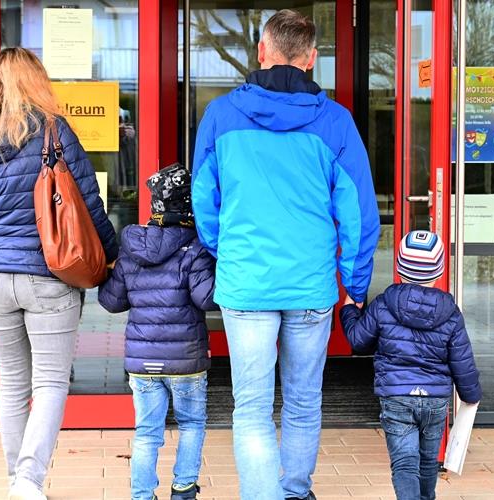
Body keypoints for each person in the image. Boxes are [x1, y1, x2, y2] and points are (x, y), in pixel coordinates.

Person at [191, 9, 380, 500]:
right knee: (302, 403)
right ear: (312, 59)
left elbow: (203, 203)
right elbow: (359, 217)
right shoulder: (336, 123)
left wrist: (224, 251)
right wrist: (355, 288)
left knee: (251, 407)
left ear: (262, 50)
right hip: (310, 289)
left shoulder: (220, 116)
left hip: (246, 285)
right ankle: (294, 492)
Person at [0, 47, 118, 500]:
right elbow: (87, 205)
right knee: (48, 382)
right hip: (48, 275)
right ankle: (27, 480)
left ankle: (16, 481)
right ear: (36, 81)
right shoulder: (52, 130)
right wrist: (108, 253)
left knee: (11, 382)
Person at [99, 163, 217, 500]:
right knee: (192, 424)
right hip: (186, 362)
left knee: (147, 432)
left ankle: (141, 495)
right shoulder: (195, 249)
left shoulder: (132, 248)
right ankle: (183, 489)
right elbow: (206, 299)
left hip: (142, 362)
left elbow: (111, 301)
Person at [340, 230, 482, 500]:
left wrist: (349, 310)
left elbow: (359, 342)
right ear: (439, 271)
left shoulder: (383, 304)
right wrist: (471, 395)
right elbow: (462, 360)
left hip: (397, 398)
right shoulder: (451, 313)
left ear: (399, 268)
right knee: (428, 463)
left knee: (404, 464)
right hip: (435, 400)